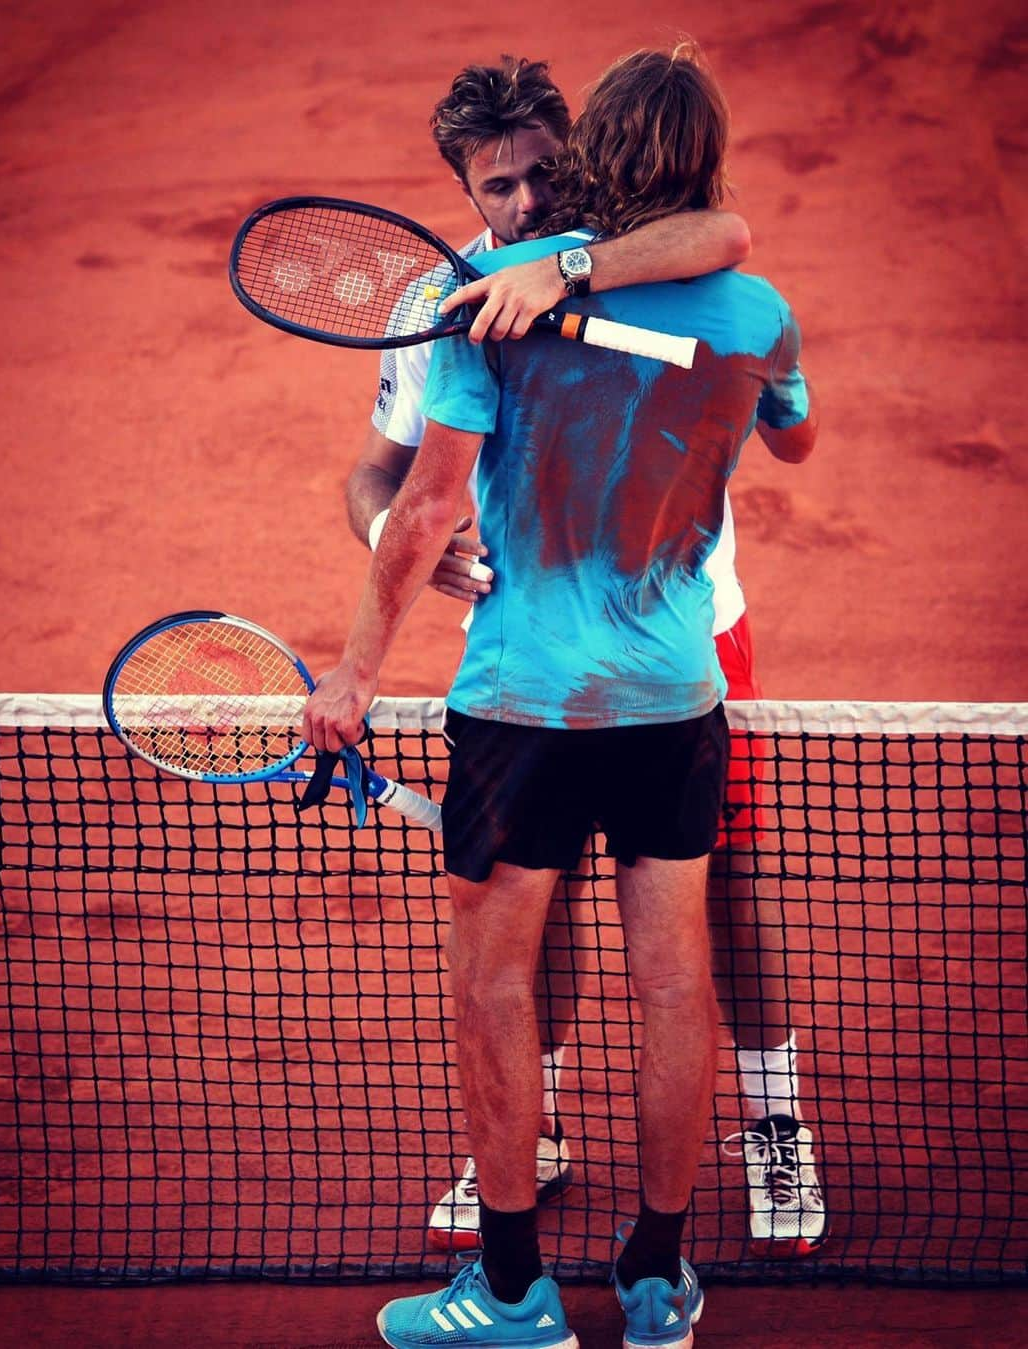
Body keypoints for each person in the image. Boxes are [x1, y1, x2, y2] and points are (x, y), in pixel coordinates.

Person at [308, 41, 820, 1346]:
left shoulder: (628, 267)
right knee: (602, 966)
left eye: (549, 177)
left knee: (556, 972)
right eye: (502, 190)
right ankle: (619, 1247)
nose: (529, 206)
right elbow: (394, 489)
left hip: (555, 690)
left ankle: (522, 1285)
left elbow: (428, 494)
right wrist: (420, 566)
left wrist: (356, 674)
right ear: (466, 190)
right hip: (662, 684)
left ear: (583, 156)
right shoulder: (473, 298)